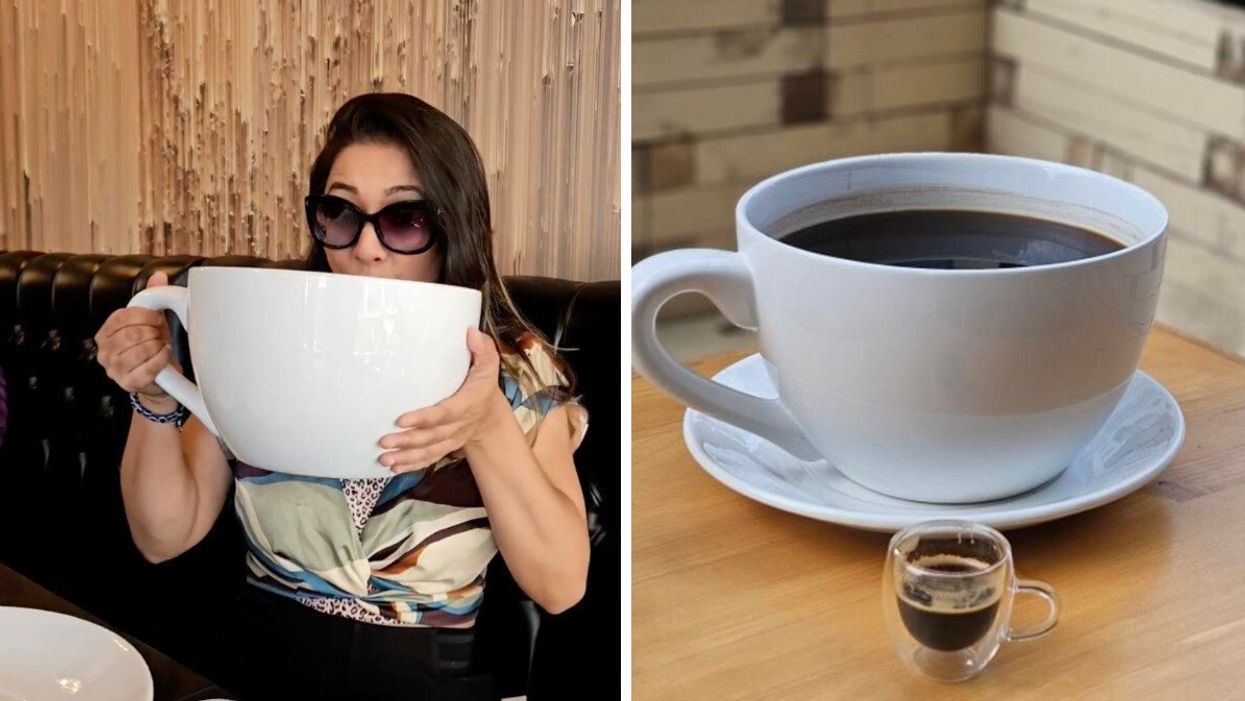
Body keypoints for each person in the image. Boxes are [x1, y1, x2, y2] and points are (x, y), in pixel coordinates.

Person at [93, 93, 590, 701]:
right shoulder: (263, 348)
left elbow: (561, 584)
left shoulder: (517, 371)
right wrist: (156, 392)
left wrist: (487, 426)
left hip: (430, 680)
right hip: (260, 664)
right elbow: (163, 535)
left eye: (406, 218)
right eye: (341, 213)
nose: (367, 247)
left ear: (453, 227)